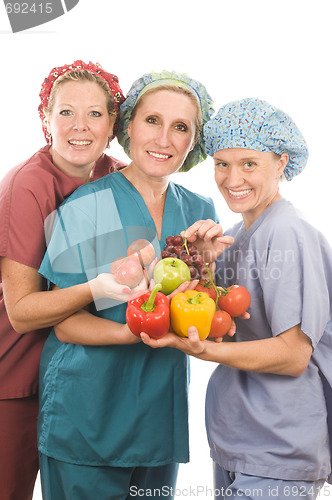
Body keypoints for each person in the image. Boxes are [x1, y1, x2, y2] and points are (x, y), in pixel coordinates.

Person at [37, 70, 233, 500]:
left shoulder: (199, 211)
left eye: (181, 127)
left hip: (157, 420)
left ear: (194, 142)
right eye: (152, 121)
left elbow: (200, 311)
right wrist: (131, 334)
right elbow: (65, 324)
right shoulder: (85, 205)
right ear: (128, 126)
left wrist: (207, 268)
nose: (164, 139)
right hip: (86, 416)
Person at [142, 98, 332, 499]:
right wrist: (204, 267)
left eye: (249, 164)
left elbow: (293, 354)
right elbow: (231, 324)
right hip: (240, 442)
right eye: (222, 164)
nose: (232, 178)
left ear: (281, 164)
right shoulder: (238, 234)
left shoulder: (287, 232)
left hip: (279, 447)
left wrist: (201, 351)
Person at [0, 60, 130, 500]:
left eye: (95, 113)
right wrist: (97, 289)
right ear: (45, 119)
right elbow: (20, 313)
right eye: (66, 113)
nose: (81, 126)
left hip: (78, 373)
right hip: (15, 377)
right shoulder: (25, 186)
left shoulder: (116, 177)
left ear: (113, 123)